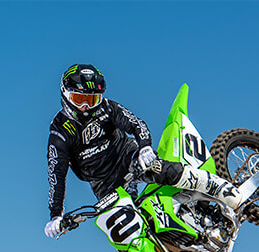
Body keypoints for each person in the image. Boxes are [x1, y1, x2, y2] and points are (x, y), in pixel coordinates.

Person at [45, 64, 241, 239]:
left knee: (157, 168)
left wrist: (145, 147)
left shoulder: (108, 108)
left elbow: (136, 124)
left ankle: (217, 186)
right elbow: (56, 174)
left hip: (126, 157)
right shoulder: (59, 132)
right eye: (79, 99)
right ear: (65, 95)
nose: (86, 107)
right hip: (103, 182)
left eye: (92, 99)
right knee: (126, 228)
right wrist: (56, 215)